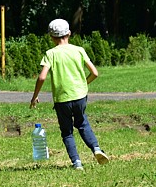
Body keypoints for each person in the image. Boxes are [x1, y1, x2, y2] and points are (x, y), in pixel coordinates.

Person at [29, 19, 109, 170]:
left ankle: (76, 162)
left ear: (51, 37)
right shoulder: (78, 50)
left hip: (62, 100)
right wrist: (84, 83)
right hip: (80, 96)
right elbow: (95, 73)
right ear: (69, 34)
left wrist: (34, 97)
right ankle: (96, 149)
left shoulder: (50, 54)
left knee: (67, 132)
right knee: (82, 123)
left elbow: (42, 77)